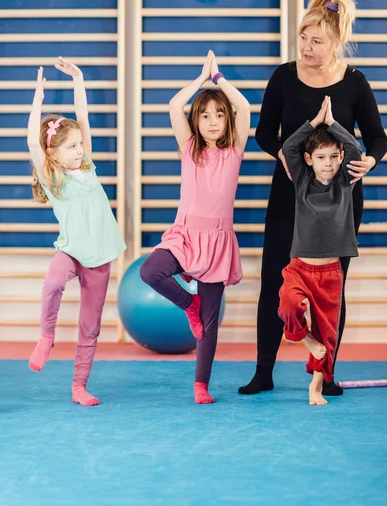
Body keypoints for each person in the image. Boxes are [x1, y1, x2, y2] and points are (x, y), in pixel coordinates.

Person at [239, 0, 387, 396]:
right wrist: (286, 159)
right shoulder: (284, 77)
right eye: (302, 38)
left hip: (339, 203)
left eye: (316, 41)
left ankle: (329, 373)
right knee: (275, 282)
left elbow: (378, 139)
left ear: (335, 41)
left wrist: (370, 161)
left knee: (330, 290)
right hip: (289, 195)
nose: (306, 46)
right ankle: (263, 371)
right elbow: (265, 133)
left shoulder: (354, 82)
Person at [140, 50, 250, 404]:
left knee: (210, 320)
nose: (213, 120)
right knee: (150, 271)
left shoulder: (234, 151)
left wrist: (220, 81)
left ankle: (201, 384)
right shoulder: (189, 148)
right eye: (205, 115)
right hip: (185, 234)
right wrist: (201, 80)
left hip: (217, 240)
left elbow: (245, 108)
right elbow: (174, 105)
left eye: (219, 114)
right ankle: (188, 303)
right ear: (196, 122)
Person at [28, 58, 126, 406]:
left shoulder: (87, 166)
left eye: (80, 144)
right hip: (71, 250)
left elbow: (82, 119)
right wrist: (38, 100)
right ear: (52, 154)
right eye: (71, 147)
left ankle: (79, 386)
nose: (80, 150)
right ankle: (46, 338)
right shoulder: (53, 178)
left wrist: (79, 80)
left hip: (100, 255)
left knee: (91, 325)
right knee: (52, 283)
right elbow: (31, 141)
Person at [278, 95, 361, 405]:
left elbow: (354, 149)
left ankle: (315, 386)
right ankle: (301, 335)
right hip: (300, 266)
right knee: (288, 304)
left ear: (340, 159)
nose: (328, 163)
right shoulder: (301, 180)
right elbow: (288, 148)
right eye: (321, 157)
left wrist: (334, 124)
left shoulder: (345, 181)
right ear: (310, 159)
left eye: (333, 157)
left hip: (330, 273)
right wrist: (316, 122)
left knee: (328, 336)